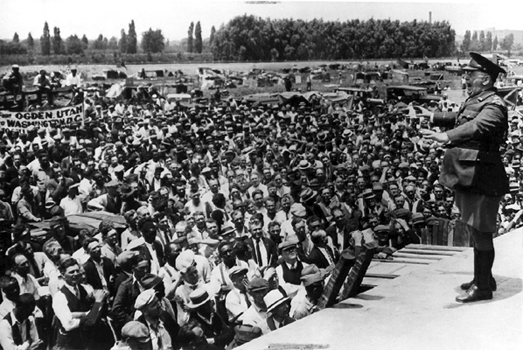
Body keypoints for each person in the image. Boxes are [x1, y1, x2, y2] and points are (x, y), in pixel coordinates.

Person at [420, 52, 509, 303]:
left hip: (482, 176)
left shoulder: (494, 105)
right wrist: (434, 118)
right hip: (470, 175)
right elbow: (463, 118)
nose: (466, 79)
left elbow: (476, 126)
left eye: (471, 75)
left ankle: (483, 287)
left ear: (485, 79)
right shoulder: (478, 99)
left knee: (481, 231)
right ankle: (483, 278)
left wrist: (447, 137)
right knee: (474, 228)